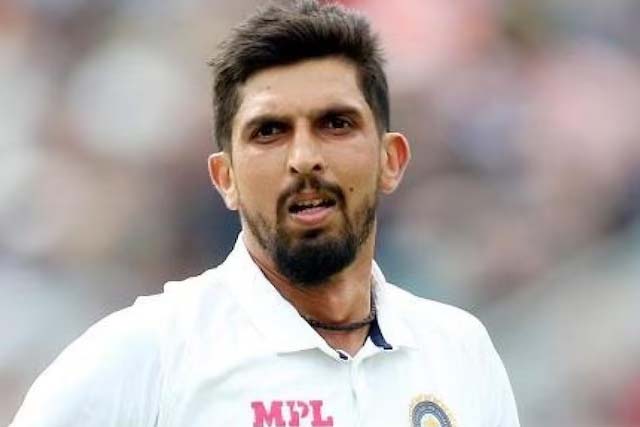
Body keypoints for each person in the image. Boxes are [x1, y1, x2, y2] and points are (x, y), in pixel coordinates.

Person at [11, 1, 519, 426]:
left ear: (391, 160)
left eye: (336, 124)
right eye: (269, 132)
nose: (304, 158)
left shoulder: (458, 351)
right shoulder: (146, 356)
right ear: (225, 177)